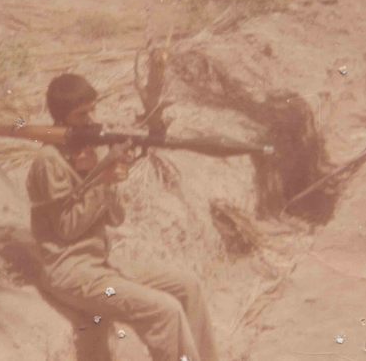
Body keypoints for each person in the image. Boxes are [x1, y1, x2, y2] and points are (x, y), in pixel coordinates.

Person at [26, 73, 220, 361]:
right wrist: (100, 181)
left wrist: (107, 177)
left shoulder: (85, 152)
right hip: (71, 274)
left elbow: (116, 218)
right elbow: (66, 228)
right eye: (82, 114)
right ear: (62, 116)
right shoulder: (49, 161)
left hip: (100, 265)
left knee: (188, 287)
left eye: (92, 110)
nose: (91, 119)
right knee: (164, 311)